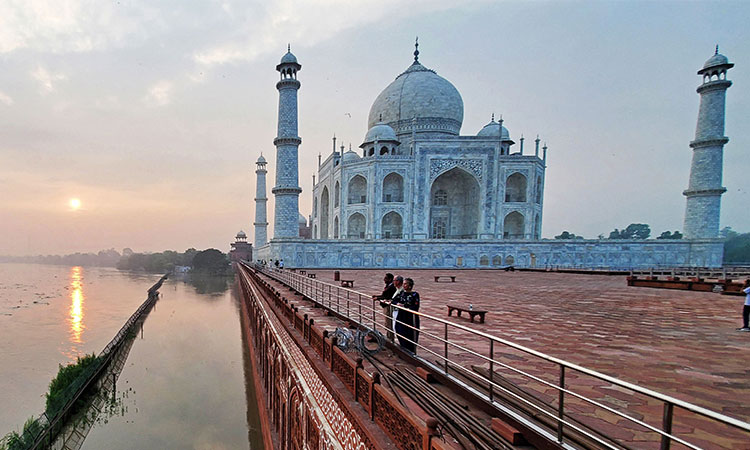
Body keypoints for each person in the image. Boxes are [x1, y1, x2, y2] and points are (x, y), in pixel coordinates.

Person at [391, 277, 420, 353]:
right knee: (399, 330)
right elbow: (393, 300)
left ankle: (411, 350)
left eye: (405, 284)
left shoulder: (414, 294)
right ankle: (403, 348)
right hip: (401, 316)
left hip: (410, 317)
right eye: (403, 284)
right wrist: (397, 303)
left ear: (410, 285)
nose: (404, 285)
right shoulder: (402, 293)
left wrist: (405, 306)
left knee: (410, 334)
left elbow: (415, 306)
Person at [372, 273, 396, 339]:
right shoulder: (388, 286)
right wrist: (377, 297)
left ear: (390, 279)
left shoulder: (392, 287)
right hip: (385, 306)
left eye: (386, 278)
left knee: (389, 323)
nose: (384, 280)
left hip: (388, 307)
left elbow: (388, 297)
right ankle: (389, 337)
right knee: (387, 323)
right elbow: (385, 296)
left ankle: (390, 338)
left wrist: (378, 298)